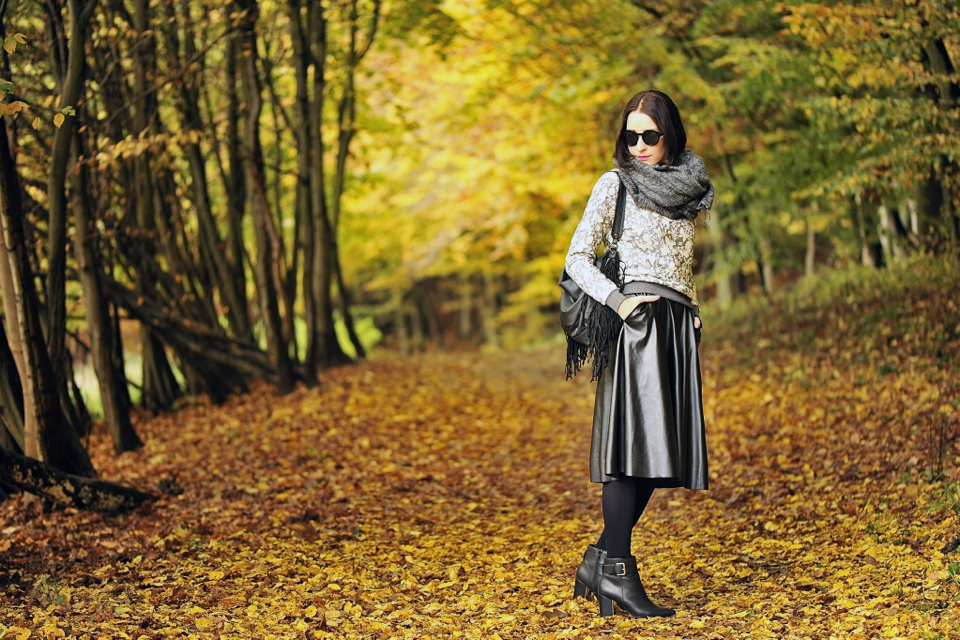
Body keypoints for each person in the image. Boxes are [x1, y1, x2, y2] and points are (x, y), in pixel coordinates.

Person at [564, 89, 713, 618]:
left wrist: (692, 307)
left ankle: (602, 561)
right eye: (631, 136)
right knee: (633, 453)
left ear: (670, 134)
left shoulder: (688, 189)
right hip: (639, 327)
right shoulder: (615, 184)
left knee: (659, 452)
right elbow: (577, 258)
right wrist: (620, 302)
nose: (640, 145)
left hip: (676, 327)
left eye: (650, 135)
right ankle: (619, 570)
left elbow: (679, 261)